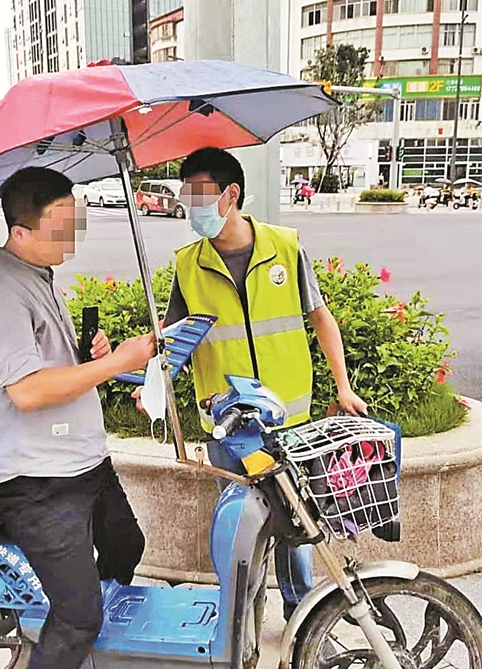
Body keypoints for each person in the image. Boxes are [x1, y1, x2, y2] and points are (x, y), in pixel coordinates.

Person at [135, 148, 367, 621]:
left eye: (197, 195)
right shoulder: (188, 263)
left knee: (297, 522)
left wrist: (342, 386)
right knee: (241, 524)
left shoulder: (285, 246)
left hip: (287, 415)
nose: (188, 206)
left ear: (230, 195)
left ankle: (301, 613)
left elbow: (320, 317)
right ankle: (244, 615)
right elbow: (172, 336)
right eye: (185, 195)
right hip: (227, 421)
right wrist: (150, 384)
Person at [0, 167, 155, 669]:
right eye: (60, 229)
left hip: (80, 462)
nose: (71, 241)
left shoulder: (38, 274)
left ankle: (79, 662)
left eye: (75, 225)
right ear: (19, 231)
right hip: (36, 480)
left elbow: (50, 368)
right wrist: (116, 363)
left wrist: (89, 357)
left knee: (124, 546)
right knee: (77, 615)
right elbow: (26, 391)